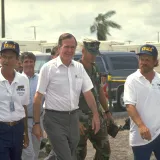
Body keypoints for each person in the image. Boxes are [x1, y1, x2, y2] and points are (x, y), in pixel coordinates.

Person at [32, 33, 100, 160]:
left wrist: (96, 115)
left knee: (64, 152)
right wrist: (36, 123)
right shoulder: (48, 68)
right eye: (66, 47)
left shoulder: (79, 68)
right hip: (53, 119)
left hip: (73, 118)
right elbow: (38, 97)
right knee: (66, 156)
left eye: (72, 47)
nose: (69, 50)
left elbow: (88, 93)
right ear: (59, 48)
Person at [76, 40, 112, 160]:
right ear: (83, 51)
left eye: (95, 53)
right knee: (78, 153)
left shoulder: (95, 68)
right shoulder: (75, 69)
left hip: (96, 117)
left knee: (105, 151)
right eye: (91, 52)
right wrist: (75, 119)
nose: (93, 56)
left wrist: (107, 112)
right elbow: (69, 96)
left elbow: (100, 91)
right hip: (80, 118)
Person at [124, 44, 160, 160]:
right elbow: (130, 106)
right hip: (141, 137)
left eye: (147, 60)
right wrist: (141, 126)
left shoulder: (159, 79)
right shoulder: (132, 80)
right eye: (141, 59)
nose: (143, 62)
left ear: (155, 62)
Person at [0, 41, 29, 160]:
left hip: (18, 128)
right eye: (4, 57)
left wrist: (26, 133)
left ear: (17, 60)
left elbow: (24, 106)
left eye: (11, 57)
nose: (6, 61)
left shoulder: (23, 79)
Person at [20, 52, 42, 160]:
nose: (29, 64)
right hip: (24, 121)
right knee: (28, 154)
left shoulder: (40, 79)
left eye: (31, 61)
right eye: (26, 62)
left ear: (35, 63)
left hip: (39, 120)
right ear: (21, 64)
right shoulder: (18, 79)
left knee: (36, 152)